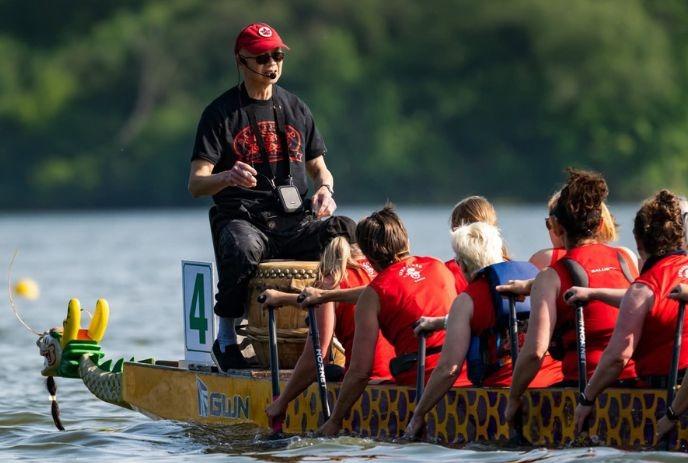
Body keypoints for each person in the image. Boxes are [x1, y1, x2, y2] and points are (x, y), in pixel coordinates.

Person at [187, 22, 352, 370]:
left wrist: (326, 189)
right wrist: (227, 176)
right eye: (262, 58)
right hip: (245, 219)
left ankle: (343, 336)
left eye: (277, 55)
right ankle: (226, 338)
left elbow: (320, 169)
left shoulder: (296, 107)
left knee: (346, 230)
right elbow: (196, 183)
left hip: (295, 221)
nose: (272, 64)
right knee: (242, 247)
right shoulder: (219, 113)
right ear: (241, 61)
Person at [404, 222, 563, 438]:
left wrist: (419, 413)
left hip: (503, 398)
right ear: (499, 250)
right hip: (556, 385)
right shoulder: (536, 277)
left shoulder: (466, 301)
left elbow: (448, 369)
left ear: (461, 264)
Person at [505, 168, 638, 425]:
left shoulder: (551, 276)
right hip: (635, 381)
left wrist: (513, 397)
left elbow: (534, 352)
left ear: (557, 226)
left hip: (582, 385)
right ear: (600, 224)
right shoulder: (625, 258)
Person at [318, 206, 459, 436]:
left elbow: (360, 372)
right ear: (405, 239)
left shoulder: (373, 294)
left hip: (420, 380)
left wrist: (335, 420)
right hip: (461, 369)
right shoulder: (438, 266)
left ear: (369, 256)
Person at [573, 190, 688, 434]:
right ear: (680, 239)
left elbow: (617, 357)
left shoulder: (644, 287)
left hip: (665, 395)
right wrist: (595, 293)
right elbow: (654, 302)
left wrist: (587, 398)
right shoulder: (656, 288)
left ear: (639, 242)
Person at [260, 235, 395, 424]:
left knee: (327, 368)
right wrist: (283, 298)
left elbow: (316, 355)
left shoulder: (330, 281)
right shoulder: (379, 271)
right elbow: (339, 299)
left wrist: (281, 403)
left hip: (368, 384)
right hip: (399, 375)